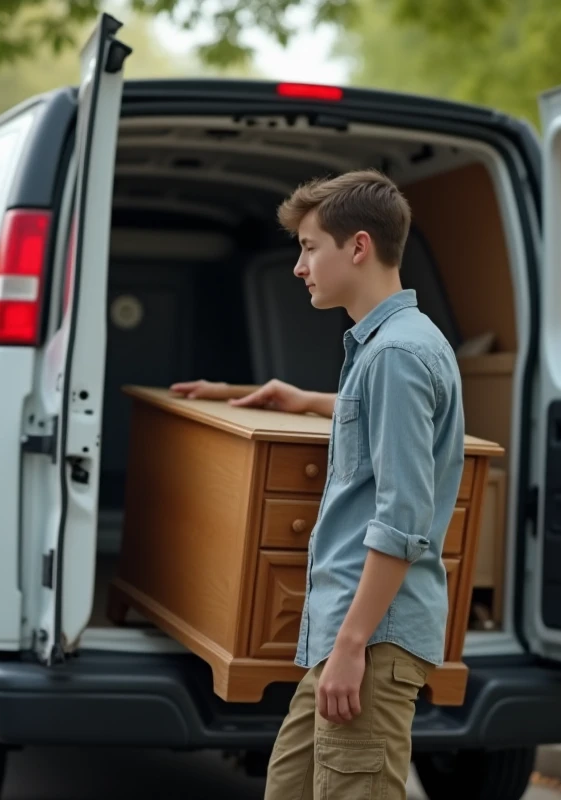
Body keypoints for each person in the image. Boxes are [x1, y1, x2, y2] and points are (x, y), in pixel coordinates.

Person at [170, 169, 466, 800]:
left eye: (309, 247)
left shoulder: (395, 356)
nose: (300, 267)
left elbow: (403, 519)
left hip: (372, 637)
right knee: (289, 785)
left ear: (358, 247)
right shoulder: (391, 346)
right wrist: (301, 399)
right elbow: (381, 418)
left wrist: (353, 645)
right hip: (353, 636)